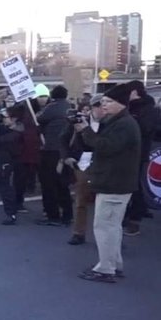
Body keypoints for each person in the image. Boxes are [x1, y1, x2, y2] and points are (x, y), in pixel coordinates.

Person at [75, 83, 142, 284]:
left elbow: (105, 147)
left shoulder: (124, 125)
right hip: (114, 182)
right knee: (112, 226)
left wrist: (86, 130)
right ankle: (114, 264)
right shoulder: (119, 122)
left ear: (121, 103)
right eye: (103, 101)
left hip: (115, 183)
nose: (103, 104)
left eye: (108, 101)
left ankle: (106, 268)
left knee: (105, 226)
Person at [61, 98, 103, 245]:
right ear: (92, 108)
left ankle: (107, 236)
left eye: (104, 106)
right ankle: (78, 233)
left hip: (103, 163)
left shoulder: (111, 124)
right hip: (82, 162)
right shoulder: (78, 121)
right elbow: (63, 139)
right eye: (98, 107)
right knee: (81, 199)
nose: (102, 110)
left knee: (105, 202)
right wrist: (66, 157)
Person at [122, 80, 158, 235]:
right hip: (127, 152)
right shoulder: (130, 108)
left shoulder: (148, 110)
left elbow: (146, 129)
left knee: (136, 187)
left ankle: (134, 220)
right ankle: (132, 214)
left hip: (140, 153)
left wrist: (131, 121)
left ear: (134, 92)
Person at [35, 85, 73, 226]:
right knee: (62, 183)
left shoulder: (52, 107)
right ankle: (67, 214)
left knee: (48, 183)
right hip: (64, 149)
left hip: (50, 149)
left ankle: (52, 214)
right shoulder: (69, 107)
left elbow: (39, 118)